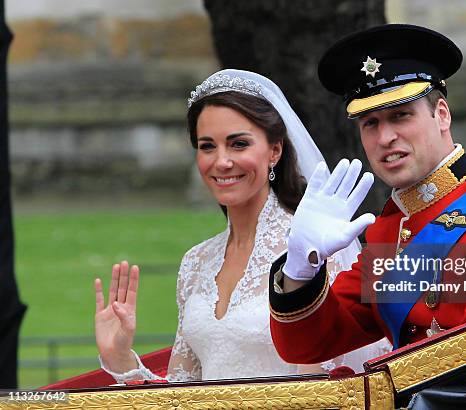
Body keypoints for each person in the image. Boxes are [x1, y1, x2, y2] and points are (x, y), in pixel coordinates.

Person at [268, 24, 466, 362]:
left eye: (400, 116)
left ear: (441, 115)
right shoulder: (392, 228)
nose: (385, 137)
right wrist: (300, 270)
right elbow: (309, 345)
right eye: (370, 123)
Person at [93, 69, 391, 382]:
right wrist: (121, 357)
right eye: (207, 146)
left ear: (274, 151)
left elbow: (319, 389)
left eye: (238, 144)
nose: (221, 161)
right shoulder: (196, 261)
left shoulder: (313, 247)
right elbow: (182, 393)